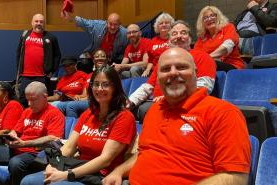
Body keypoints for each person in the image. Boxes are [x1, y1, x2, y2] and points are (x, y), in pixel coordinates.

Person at [102, 47, 251, 185]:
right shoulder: (154, 111)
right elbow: (144, 153)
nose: (173, 73)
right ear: (158, 77)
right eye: (166, 69)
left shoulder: (223, 113)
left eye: (181, 67)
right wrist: (119, 171)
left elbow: (236, 177)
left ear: (196, 72)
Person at [20, 66, 136, 185]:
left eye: (105, 84)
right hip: (75, 167)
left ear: (115, 87)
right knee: (27, 181)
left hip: (99, 175)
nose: (99, 89)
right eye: (96, 84)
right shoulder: (88, 114)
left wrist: (68, 175)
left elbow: (105, 160)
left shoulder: (124, 117)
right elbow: (69, 147)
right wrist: (52, 164)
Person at [0, 82, 65, 185]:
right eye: (27, 99)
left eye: (33, 100)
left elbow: (53, 138)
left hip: (36, 154)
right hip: (16, 148)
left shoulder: (55, 114)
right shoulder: (27, 111)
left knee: (15, 163)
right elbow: (16, 130)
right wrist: (12, 135)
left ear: (45, 97)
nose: (29, 104)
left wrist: (25, 143)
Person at [129, 20, 216, 122]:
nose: (178, 36)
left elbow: (203, 88)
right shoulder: (164, 60)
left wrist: (168, 99)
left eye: (183, 33)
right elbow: (147, 87)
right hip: (158, 106)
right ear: (169, 40)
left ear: (190, 38)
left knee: (145, 111)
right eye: (174, 34)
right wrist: (130, 102)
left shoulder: (203, 57)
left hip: (185, 108)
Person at [16, 13, 61, 107]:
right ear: (32, 23)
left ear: (44, 24)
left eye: (41, 22)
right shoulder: (25, 35)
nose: (39, 23)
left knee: (40, 101)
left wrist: (52, 71)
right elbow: (18, 53)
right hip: (25, 76)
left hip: (42, 76)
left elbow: (57, 55)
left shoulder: (51, 37)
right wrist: (19, 70)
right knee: (23, 100)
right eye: (36, 21)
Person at [57, 49, 110, 118]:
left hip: (100, 100)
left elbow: (105, 93)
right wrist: (78, 97)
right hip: (88, 100)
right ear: (93, 61)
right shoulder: (89, 75)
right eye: (97, 57)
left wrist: (84, 99)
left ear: (106, 60)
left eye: (103, 56)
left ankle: (74, 127)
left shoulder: (109, 73)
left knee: (71, 106)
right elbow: (84, 94)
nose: (99, 58)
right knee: (59, 105)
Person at [61, 12, 128, 63]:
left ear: (120, 24)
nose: (112, 27)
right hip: (93, 57)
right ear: (106, 22)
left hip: (112, 59)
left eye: (115, 24)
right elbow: (83, 22)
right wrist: (70, 17)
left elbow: (127, 50)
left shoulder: (125, 33)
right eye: (110, 24)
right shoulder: (97, 26)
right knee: (84, 64)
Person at [194, 6, 244, 71]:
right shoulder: (202, 37)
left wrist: (206, 59)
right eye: (205, 18)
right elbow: (196, 55)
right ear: (202, 22)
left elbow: (226, 48)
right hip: (210, 65)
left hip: (232, 66)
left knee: (208, 64)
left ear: (218, 17)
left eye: (212, 15)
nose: (209, 19)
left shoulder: (228, 27)